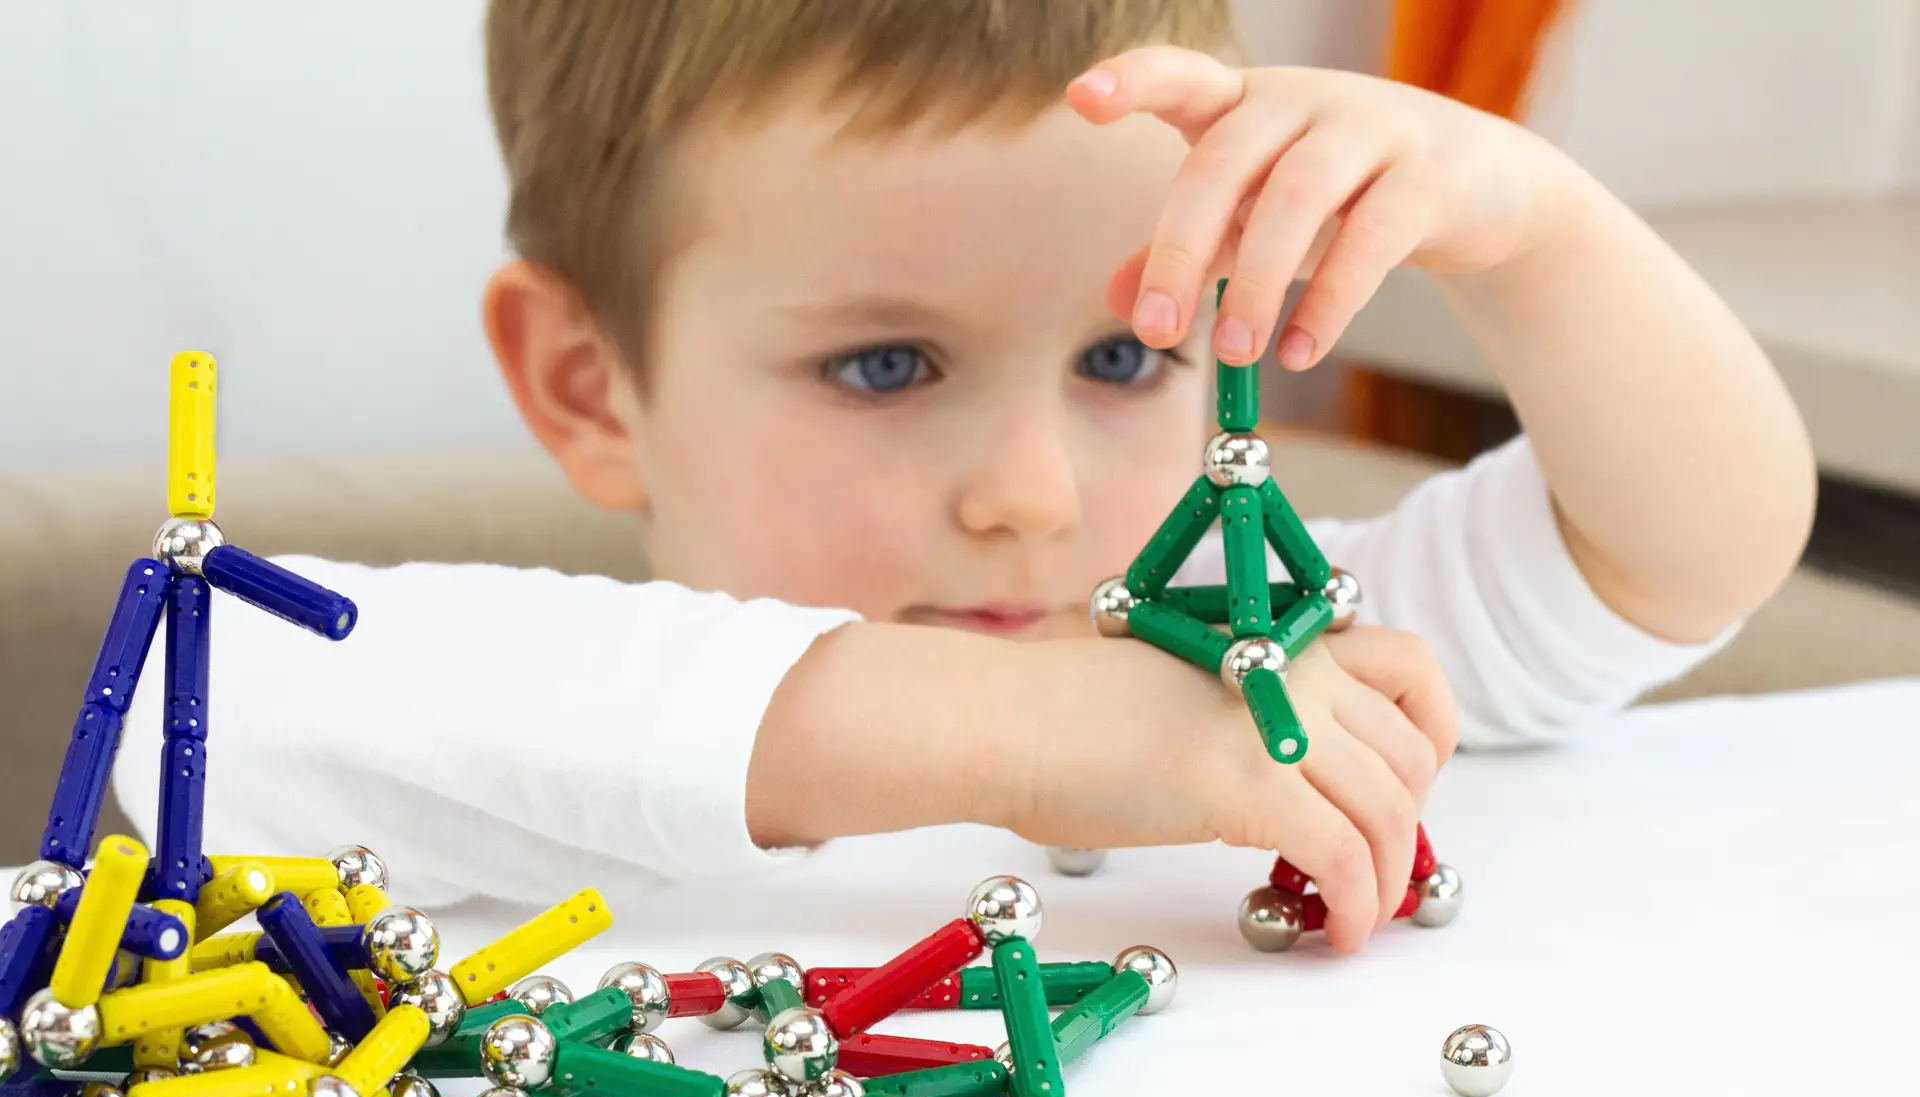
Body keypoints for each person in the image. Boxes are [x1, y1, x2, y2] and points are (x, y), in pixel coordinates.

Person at [114, 1, 1813, 955]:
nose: (1030, 494)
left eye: (1125, 357)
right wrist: (1021, 737)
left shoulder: (1259, 658)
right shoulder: (527, 746)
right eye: (884, 366)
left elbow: (1686, 551)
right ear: (588, 384)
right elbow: (209, 692)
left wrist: (1534, 229)